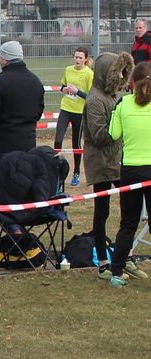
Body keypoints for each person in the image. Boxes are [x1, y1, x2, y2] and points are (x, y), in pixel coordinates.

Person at [82, 52, 134, 280]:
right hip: (101, 163)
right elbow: (99, 135)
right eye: (117, 73)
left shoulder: (112, 96)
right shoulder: (95, 100)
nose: (121, 77)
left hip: (117, 160)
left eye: (124, 73)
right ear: (106, 73)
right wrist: (122, 122)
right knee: (102, 212)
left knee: (129, 210)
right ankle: (103, 262)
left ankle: (125, 256)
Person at [108, 61, 151, 286]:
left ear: (132, 81)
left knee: (128, 223)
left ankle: (116, 272)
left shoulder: (123, 104)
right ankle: (118, 270)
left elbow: (113, 134)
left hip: (131, 170)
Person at [0, 40, 44, 184]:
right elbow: (38, 112)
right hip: (27, 144)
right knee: (22, 188)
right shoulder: (35, 81)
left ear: (5, 59)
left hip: (1, 146)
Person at [53, 48, 94, 187]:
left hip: (79, 112)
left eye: (80, 58)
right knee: (58, 140)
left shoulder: (89, 73)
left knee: (76, 144)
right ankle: (57, 170)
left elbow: (90, 96)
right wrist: (64, 89)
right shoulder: (68, 69)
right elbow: (63, 86)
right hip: (66, 108)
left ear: (86, 59)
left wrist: (78, 92)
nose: (77, 60)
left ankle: (76, 172)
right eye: (76, 57)